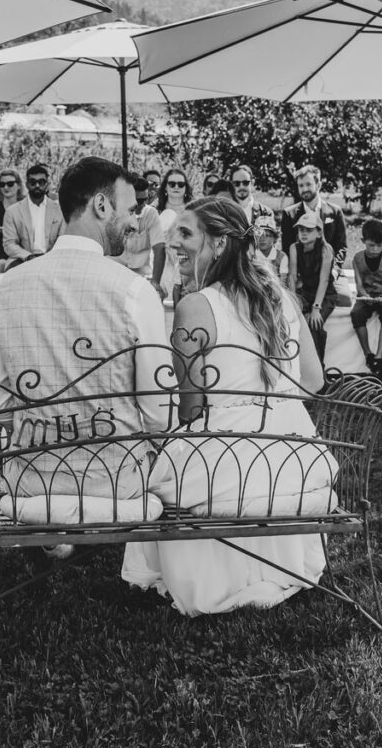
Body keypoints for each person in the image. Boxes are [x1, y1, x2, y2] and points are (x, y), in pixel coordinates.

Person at [121, 196, 337, 615]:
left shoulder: (195, 306)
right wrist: (272, 408)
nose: (173, 242)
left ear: (219, 243)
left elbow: (190, 409)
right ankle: (276, 567)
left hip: (227, 463)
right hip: (294, 460)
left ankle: (212, 577)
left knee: (160, 470)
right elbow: (313, 382)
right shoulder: (281, 297)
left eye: (186, 233)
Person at [0, 156, 169, 509]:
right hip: (117, 483)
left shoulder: (3, 288)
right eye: (131, 210)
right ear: (101, 205)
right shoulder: (134, 291)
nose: (134, 222)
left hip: (30, 481)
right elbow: (161, 413)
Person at [287, 210, 337, 364]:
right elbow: (292, 276)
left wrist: (316, 308)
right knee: (295, 320)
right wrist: (293, 301)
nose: (303, 233)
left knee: (315, 324)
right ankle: (297, 364)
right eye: (301, 229)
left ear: (319, 233)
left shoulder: (326, 249)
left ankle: (318, 367)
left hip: (325, 294)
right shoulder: (294, 248)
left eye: (309, 230)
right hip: (305, 292)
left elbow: (324, 280)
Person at [281, 164, 348, 277]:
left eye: (308, 184)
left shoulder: (335, 212)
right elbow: (287, 248)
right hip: (301, 275)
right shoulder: (289, 214)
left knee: (344, 290)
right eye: (301, 185)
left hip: (330, 272)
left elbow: (341, 247)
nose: (304, 189)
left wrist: (335, 270)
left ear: (318, 185)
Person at [350, 218, 382, 374]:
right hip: (366, 296)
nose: (375, 249)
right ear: (363, 241)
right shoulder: (357, 259)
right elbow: (359, 285)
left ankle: (379, 356)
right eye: (371, 245)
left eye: (379, 245)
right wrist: (365, 296)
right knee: (356, 313)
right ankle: (368, 353)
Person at [111, 176, 166, 297]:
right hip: (115, 276)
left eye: (145, 200)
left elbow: (159, 247)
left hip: (141, 277)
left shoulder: (150, 213)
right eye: (139, 201)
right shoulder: (113, 213)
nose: (143, 204)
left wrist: (155, 282)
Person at [3, 163, 63, 267]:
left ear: (47, 184)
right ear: (26, 184)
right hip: (22, 259)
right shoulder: (13, 211)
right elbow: (9, 244)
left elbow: (62, 239)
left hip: (52, 259)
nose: (37, 185)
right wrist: (29, 257)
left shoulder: (59, 210)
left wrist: (49, 258)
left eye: (41, 182)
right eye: (33, 182)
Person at [156, 167, 192, 306]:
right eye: (172, 184)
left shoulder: (193, 211)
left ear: (186, 188)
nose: (176, 187)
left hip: (186, 266)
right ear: (165, 187)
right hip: (161, 266)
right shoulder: (155, 211)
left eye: (180, 184)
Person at [253, 210, 287, 281]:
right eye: (259, 235)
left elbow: (283, 281)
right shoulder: (251, 255)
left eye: (267, 235)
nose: (262, 239)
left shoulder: (281, 257)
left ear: (274, 238)